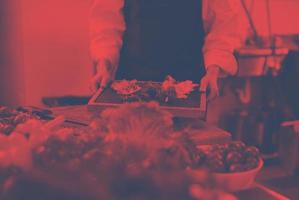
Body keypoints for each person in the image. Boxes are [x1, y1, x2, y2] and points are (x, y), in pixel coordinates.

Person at [89, 0, 245, 100]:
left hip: (187, 88)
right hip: (129, 86)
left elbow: (223, 28)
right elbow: (106, 23)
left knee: (183, 148)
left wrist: (213, 70)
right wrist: (104, 64)